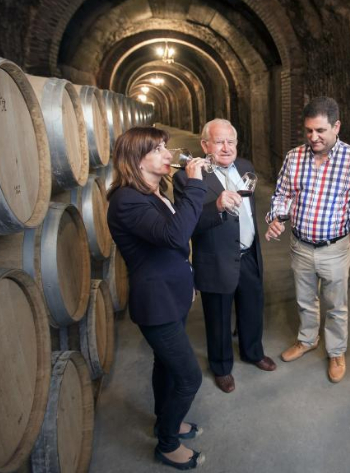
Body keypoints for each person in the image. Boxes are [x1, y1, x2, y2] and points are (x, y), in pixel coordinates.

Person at [106, 127, 207, 469]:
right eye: (160, 149)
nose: (169, 155)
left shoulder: (152, 192)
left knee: (165, 366)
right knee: (189, 376)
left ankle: (167, 420)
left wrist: (187, 279)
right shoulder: (126, 201)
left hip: (172, 293)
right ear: (137, 158)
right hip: (156, 304)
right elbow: (176, 233)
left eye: (166, 147)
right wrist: (194, 184)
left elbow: (177, 246)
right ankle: (166, 443)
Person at [265, 96, 350, 383]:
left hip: (335, 247)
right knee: (305, 299)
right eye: (308, 131)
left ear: (336, 126)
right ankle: (307, 340)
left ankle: (336, 350)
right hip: (300, 244)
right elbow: (282, 193)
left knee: (336, 304)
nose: (313, 137)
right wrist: (277, 217)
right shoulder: (294, 157)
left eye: (320, 131)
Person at [173, 118, 276, 395]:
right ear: (205, 144)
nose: (226, 147)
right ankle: (221, 367)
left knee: (253, 307)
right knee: (218, 317)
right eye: (219, 142)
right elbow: (188, 224)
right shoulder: (187, 177)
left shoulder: (245, 167)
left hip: (248, 253)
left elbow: (249, 209)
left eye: (231, 141)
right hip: (216, 258)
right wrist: (217, 206)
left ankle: (253, 352)